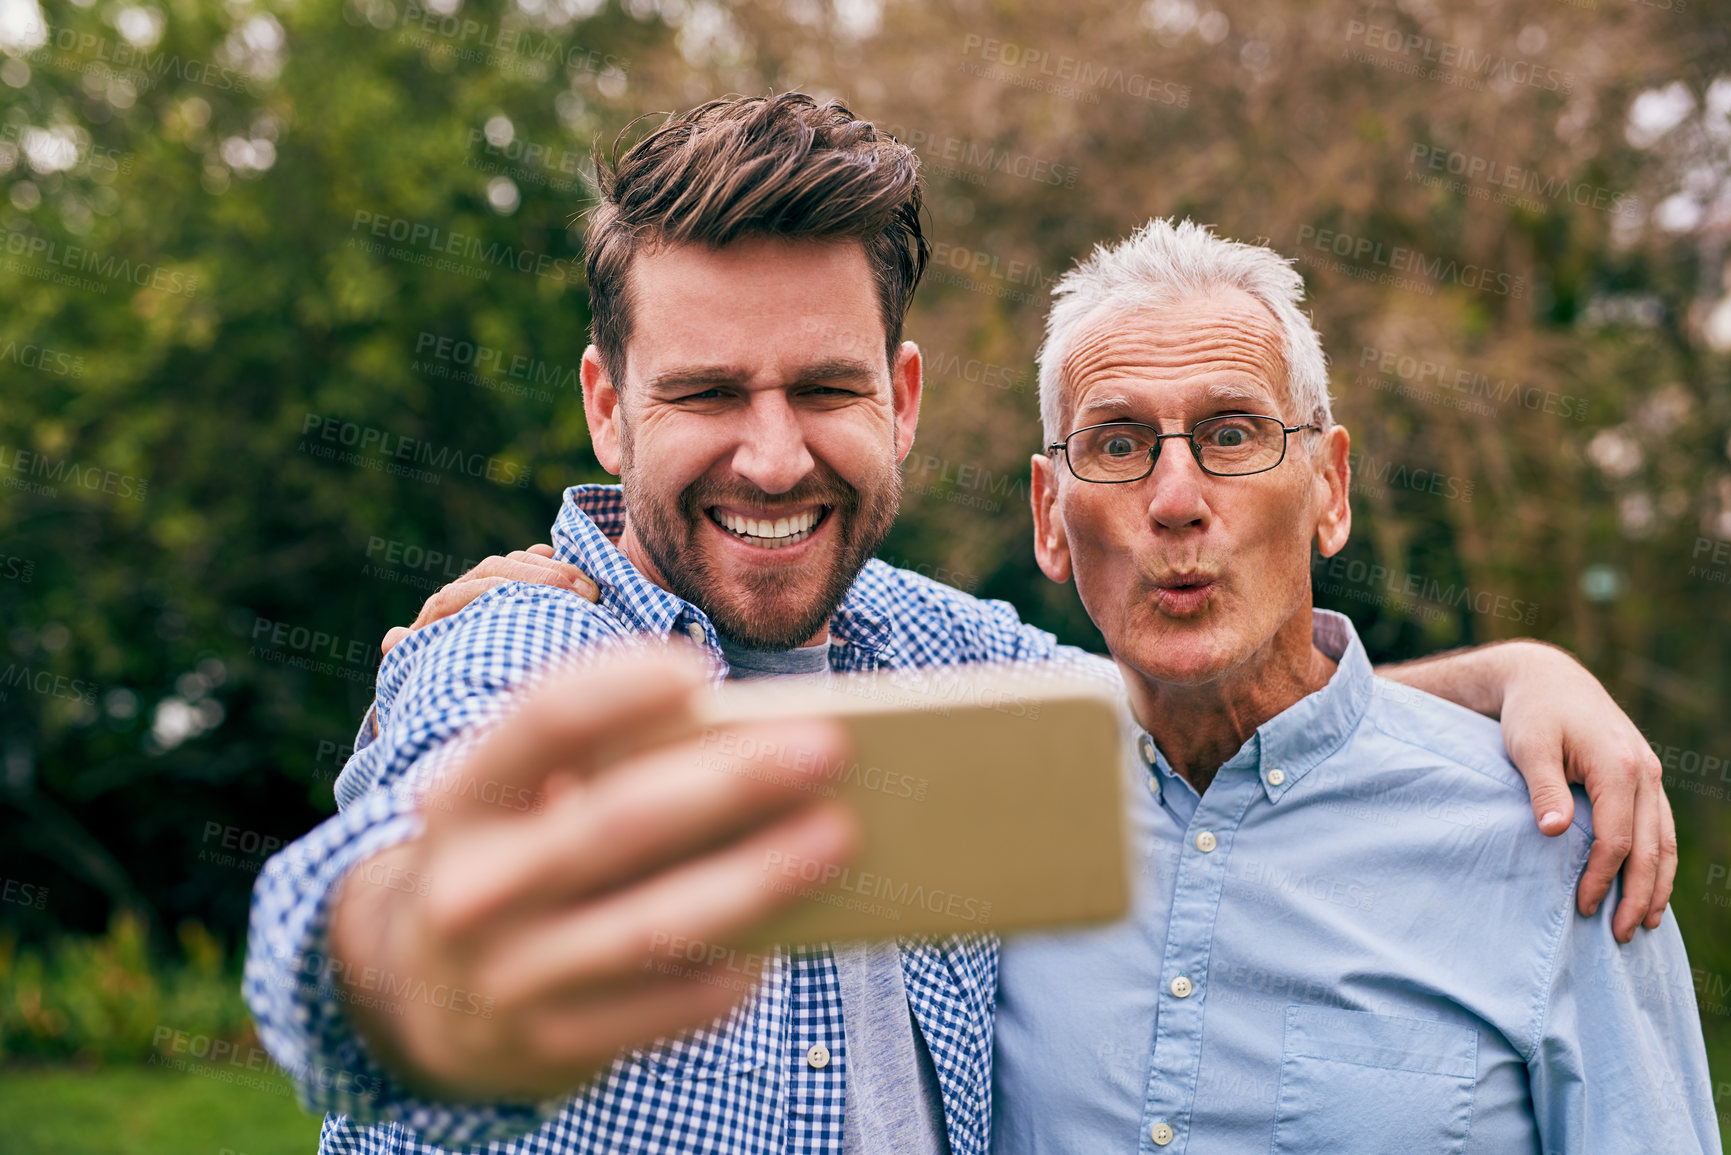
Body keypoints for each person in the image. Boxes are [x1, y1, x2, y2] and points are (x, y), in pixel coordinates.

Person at [245, 94, 1678, 1155]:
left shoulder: (948, 663)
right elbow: (363, 915)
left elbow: (1211, 710)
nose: (768, 454)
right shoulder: (512, 656)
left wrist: (1514, 674)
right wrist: (417, 979)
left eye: (818, 388)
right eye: (701, 395)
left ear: (902, 399)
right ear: (608, 405)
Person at [990, 218, 1718, 1151]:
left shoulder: (1554, 846)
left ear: (1329, 489)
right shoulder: (984, 809)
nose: (1175, 500)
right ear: (1051, 517)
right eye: (1119, 445)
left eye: (1232, 431)